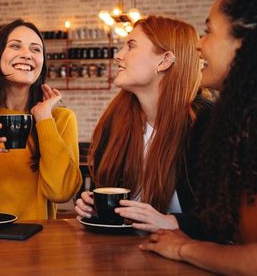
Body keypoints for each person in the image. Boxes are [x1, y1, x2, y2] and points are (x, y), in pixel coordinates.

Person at [140, 0, 257, 275]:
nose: (199, 45)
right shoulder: (238, 123)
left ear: (244, 40)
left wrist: (183, 248)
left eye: (208, 31)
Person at [74, 16, 213, 233]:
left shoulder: (206, 124)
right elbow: (113, 198)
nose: (118, 56)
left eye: (131, 46)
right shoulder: (116, 121)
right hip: (124, 256)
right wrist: (96, 207)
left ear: (165, 60)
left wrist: (172, 222)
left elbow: (229, 219)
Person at [0, 19, 82, 219]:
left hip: (36, 240)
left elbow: (61, 193)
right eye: (15, 46)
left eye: (36, 50)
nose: (27, 54)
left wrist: (44, 119)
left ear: (42, 62)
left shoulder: (61, 119)